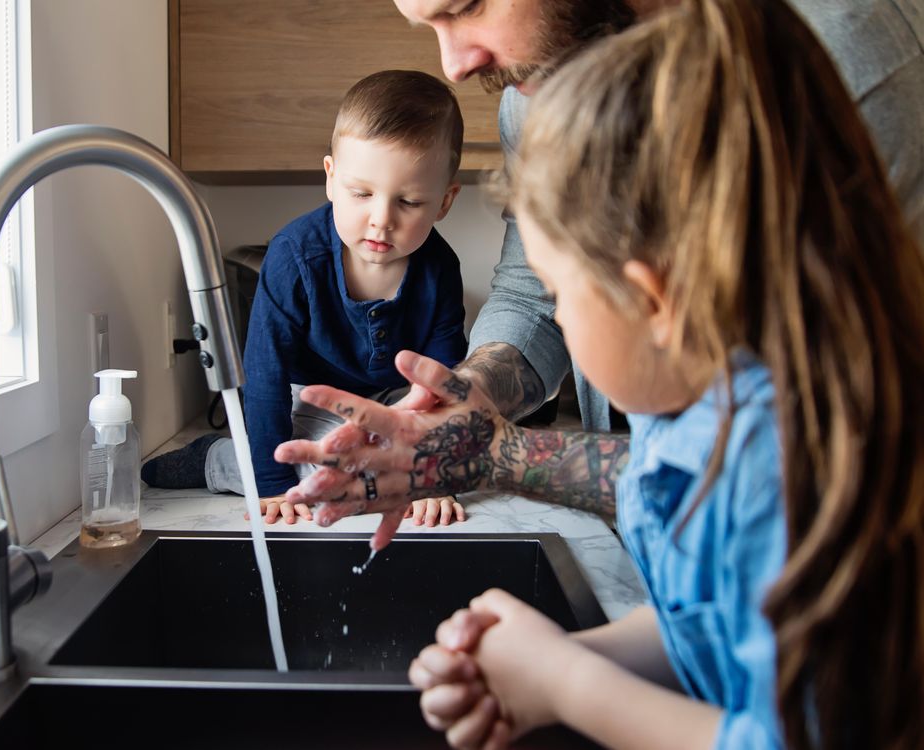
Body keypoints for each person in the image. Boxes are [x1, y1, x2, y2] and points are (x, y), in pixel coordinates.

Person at [403, 0, 923, 747]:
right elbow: (710, 626)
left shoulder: (777, 471)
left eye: (565, 296)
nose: (453, 63)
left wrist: (569, 684)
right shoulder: (701, 434)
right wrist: (555, 666)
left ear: (652, 299)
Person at [273, 0, 924, 548]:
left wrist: (493, 455)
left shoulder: (844, 59)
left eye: (468, 5)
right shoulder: (536, 92)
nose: (454, 63)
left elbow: (812, 464)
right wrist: (464, 401)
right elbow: (532, 291)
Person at [141, 70, 467, 527]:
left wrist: (435, 478)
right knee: (325, 463)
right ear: (331, 179)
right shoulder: (294, 256)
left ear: (444, 202)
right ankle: (217, 459)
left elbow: (440, 384)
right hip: (303, 400)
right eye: (361, 194)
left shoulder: (439, 267)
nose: (381, 220)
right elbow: (265, 371)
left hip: (389, 400)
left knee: (463, 453)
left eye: (409, 202)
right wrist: (272, 483)